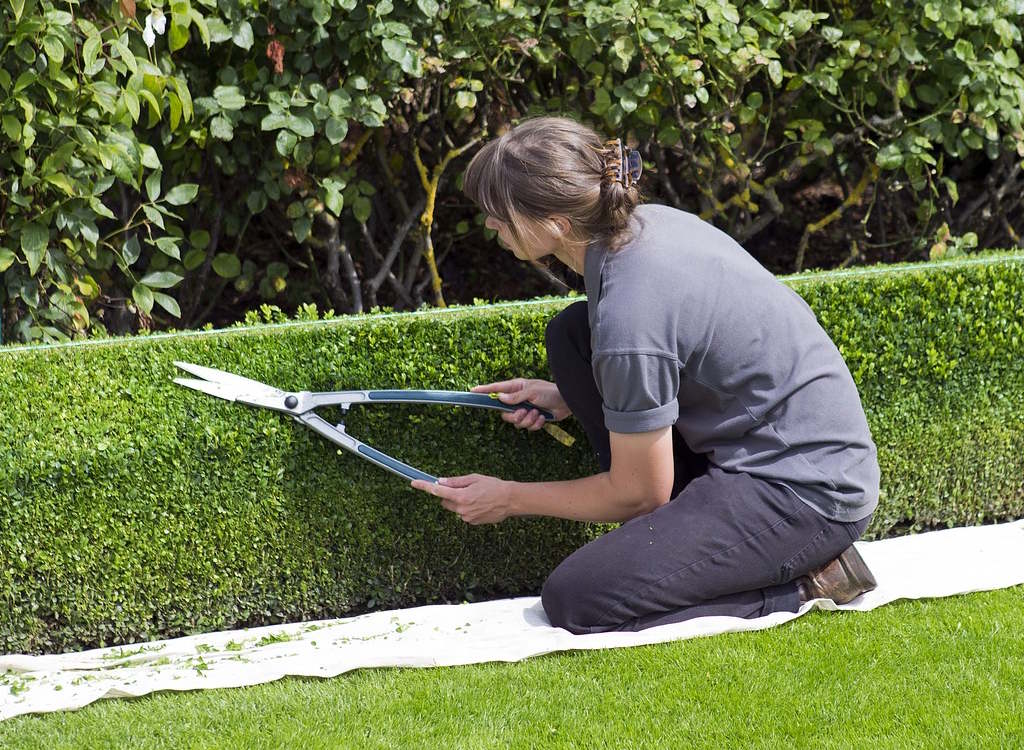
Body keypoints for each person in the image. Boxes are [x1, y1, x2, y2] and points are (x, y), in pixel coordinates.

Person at [410, 116, 879, 634]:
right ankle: (691, 546)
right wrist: (567, 396)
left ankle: (808, 581)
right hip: (777, 448)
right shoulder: (641, 226)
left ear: (557, 223)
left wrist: (509, 497)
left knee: (577, 599)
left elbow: (639, 495)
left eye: (499, 215)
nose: (491, 227)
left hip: (805, 492)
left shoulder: (629, 315)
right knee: (571, 335)